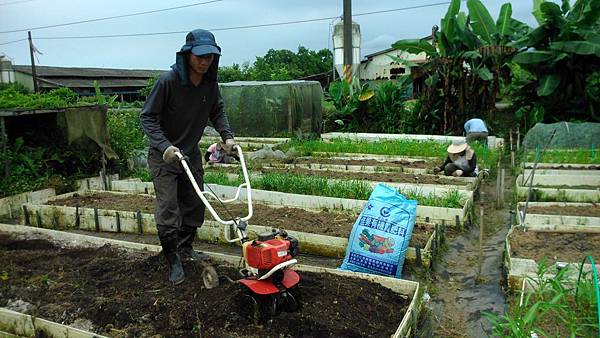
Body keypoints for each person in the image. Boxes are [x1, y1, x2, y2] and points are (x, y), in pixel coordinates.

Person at [140, 29, 236, 285]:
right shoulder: (168, 82)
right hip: (166, 156)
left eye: (210, 57)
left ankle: (185, 248)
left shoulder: (209, 85)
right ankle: (172, 260)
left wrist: (227, 137)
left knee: (194, 203)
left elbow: (217, 112)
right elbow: (147, 117)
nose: (205, 62)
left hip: (190, 154)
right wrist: (164, 146)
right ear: (188, 55)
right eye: (200, 56)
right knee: (169, 209)